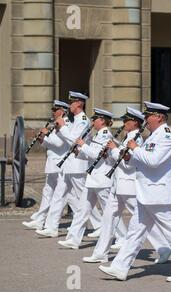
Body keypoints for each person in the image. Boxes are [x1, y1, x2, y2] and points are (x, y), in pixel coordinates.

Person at [99, 102, 171, 282]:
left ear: (159, 117)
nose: (145, 119)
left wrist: (135, 148)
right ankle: (120, 267)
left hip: (158, 193)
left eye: (148, 116)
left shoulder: (166, 136)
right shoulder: (153, 135)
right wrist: (128, 156)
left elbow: (154, 161)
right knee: (135, 232)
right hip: (146, 193)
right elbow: (141, 161)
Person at [82, 107, 171, 264]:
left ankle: (163, 247)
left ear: (135, 123)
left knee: (144, 220)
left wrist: (113, 150)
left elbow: (129, 164)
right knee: (108, 218)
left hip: (129, 185)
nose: (123, 123)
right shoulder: (127, 137)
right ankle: (100, 253)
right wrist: (109, 153)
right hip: (118, 185)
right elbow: (118, 159)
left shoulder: (136, 139)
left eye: (127, 121)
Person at [35, 91, 102, 238]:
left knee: (84, 198)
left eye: (72, 102)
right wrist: (57, 131)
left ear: (79, 103)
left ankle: (99, 225)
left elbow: (74, 140)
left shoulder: (83, 120)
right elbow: (64, 140)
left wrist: (63, 128)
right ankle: (51, 227)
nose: (69, 105)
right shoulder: (74, 120)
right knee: (59, 195)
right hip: (68, 163)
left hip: (78, 164)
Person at [58, 108, 116, 249]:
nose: (93, 121)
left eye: (95, 119)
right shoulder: (97, 135)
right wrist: (79, 152)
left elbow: (97, 155)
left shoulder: (105, 135)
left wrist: (83, 145)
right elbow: (91, 155)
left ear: (102, 121)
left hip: (102, 179)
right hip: (93, 179)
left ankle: (122, 238)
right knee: (82, 211)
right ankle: (73, 239)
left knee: (111, 212)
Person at [22, 100, 70, 230]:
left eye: (55, 110)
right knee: (47, 192)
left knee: (63, 196)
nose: (53, 112)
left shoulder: (65, 123)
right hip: (52, 162)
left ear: (62, 111)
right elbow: (50, 143)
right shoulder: (56, 124)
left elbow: (59, 143)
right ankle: (40, 219)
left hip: (59, 163)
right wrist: (42, 139)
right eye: (53, 110)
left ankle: (51, 223)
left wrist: (46, 133)